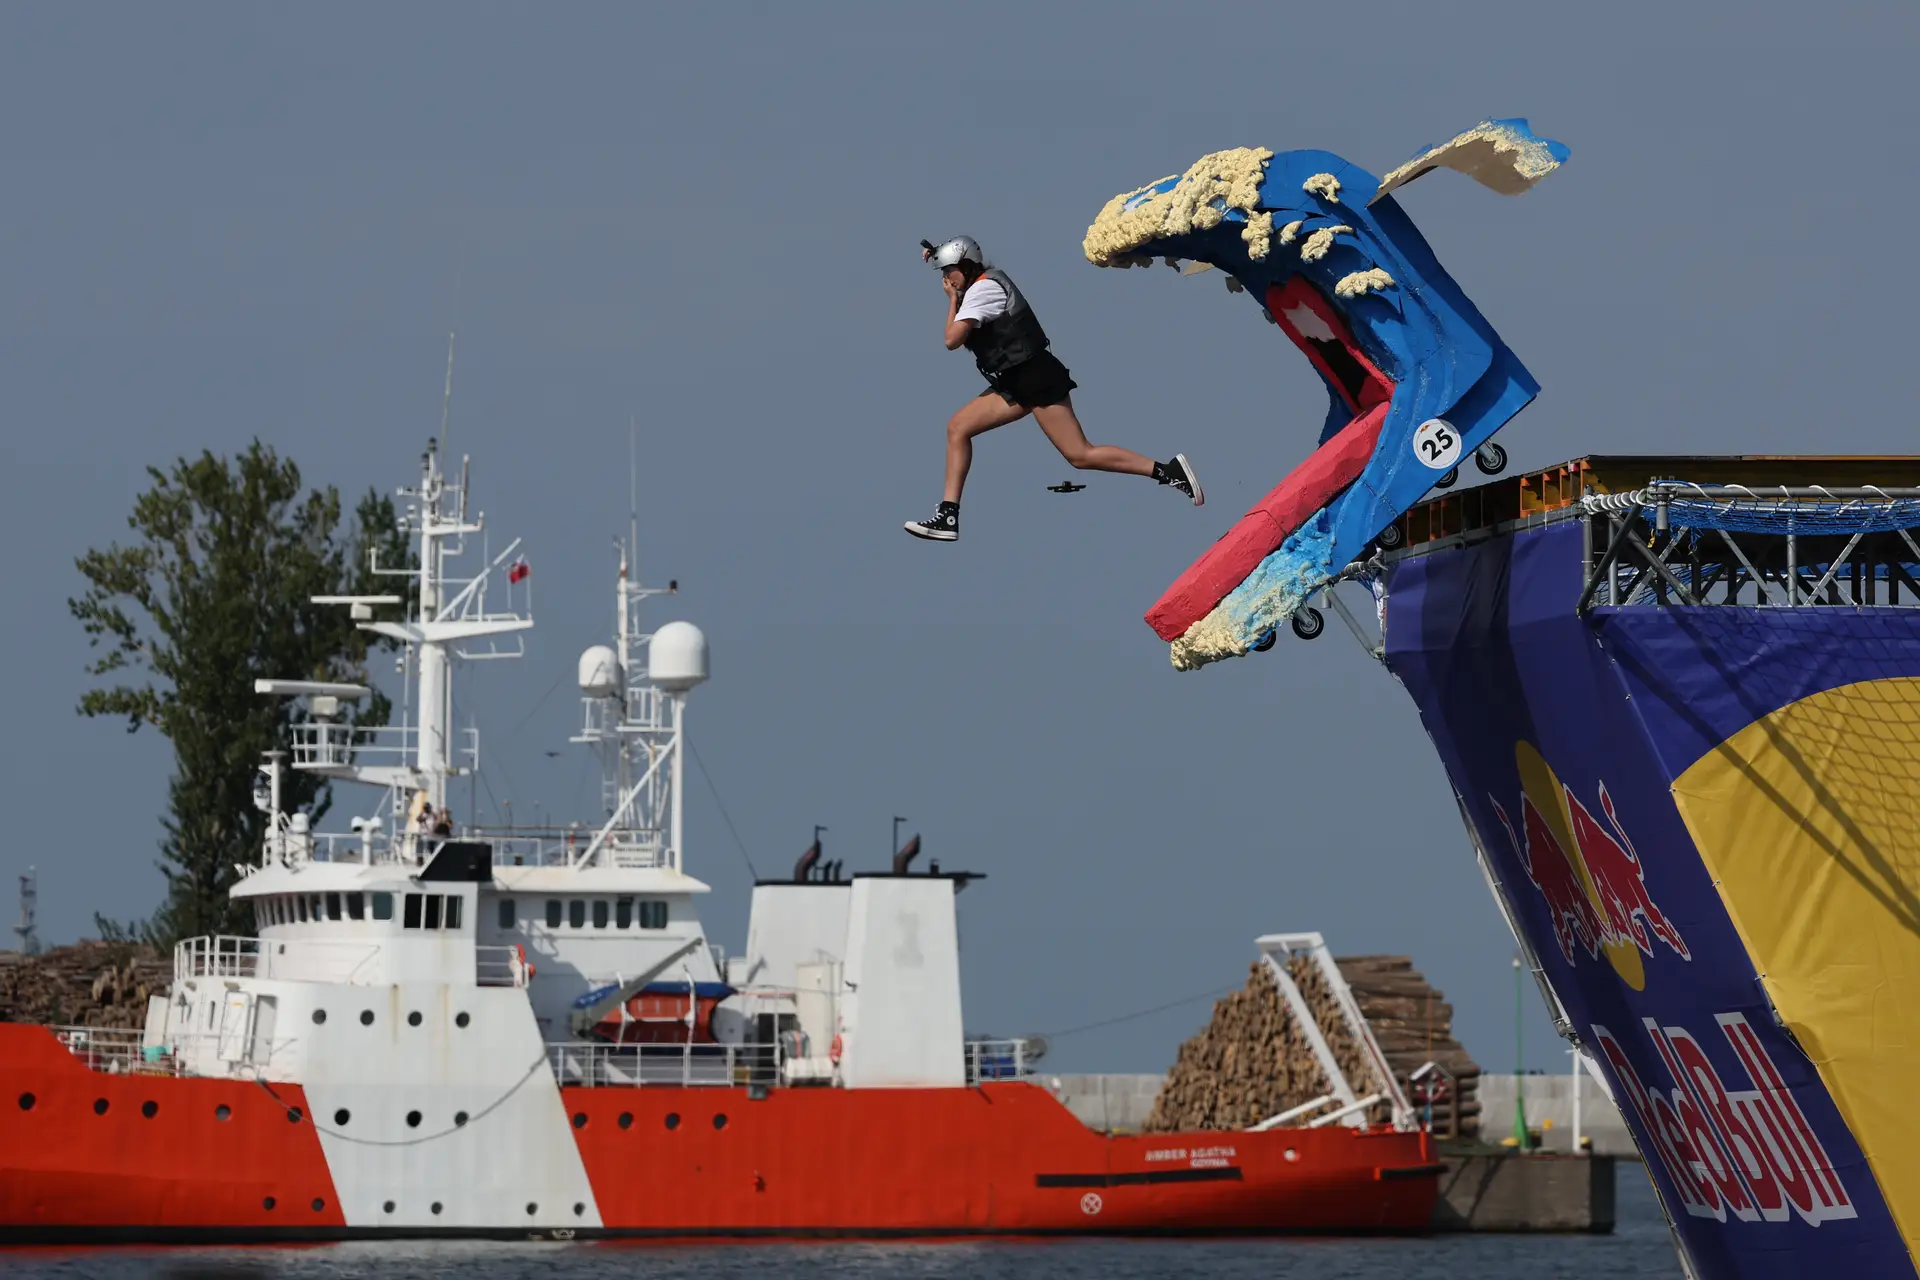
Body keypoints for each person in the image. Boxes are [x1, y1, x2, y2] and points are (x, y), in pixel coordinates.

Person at [904, 236, 1202, 542]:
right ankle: (949, 515)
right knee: (958, 428)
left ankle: (1169, 471)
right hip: (1015, 381)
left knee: (1080, 455)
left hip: (1035, 378)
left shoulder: (982, 290)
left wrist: (952, 300)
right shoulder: (979, 286)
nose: (945, 279)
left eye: (948, 271)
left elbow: (951, 340)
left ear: (966, 267)